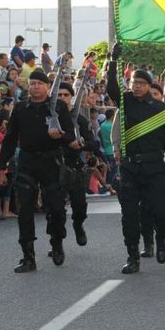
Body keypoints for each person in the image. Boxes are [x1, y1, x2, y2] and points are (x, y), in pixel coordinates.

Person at [106, 44, 165, 274]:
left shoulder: (160, 109)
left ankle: (162, 240)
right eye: (134, 83)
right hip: (131, 167)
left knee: (163, 211)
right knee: (130, 216)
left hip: (155, 167)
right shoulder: (125, 102)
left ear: (150, 86)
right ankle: (133, 256)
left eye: (141, 83)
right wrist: (114, 60)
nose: (137, 87)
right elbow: (111, 86)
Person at [0, 70, 76, 273]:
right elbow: (10, 139)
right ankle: (28, 257)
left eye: (39, 84)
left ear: (48, 87)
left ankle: (57, 242)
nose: (35, 87)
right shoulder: (21, 108)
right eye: (32, 84)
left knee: (57, 209)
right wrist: (0, 167)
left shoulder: (57, 107)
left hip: (52, 162)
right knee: (25, 211)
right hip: (27, 162)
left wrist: (59, 135)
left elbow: (70, 135)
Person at [56, 81, 95, 247]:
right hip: (55, 166)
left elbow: (94, 143)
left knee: (79, 205)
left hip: (74, 166)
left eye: (66, 95)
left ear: (72, 97)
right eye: (59, 95)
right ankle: (56, 241)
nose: (63, 98)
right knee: (55, 209)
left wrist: (82, 145)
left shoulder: (80, 119)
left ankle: (78, 225)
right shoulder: (51, 117)